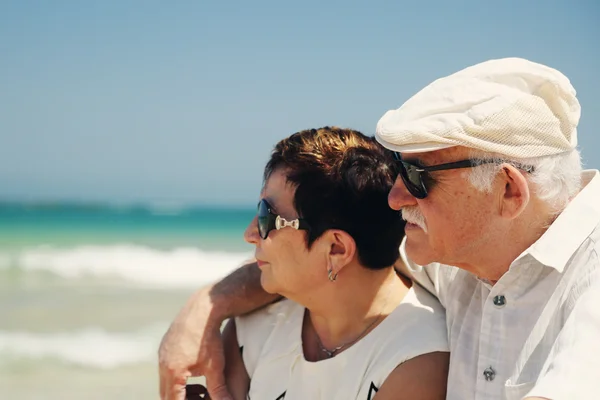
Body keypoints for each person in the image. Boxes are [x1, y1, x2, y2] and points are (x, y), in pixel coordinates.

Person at [159, 58, 600, 400]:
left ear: (508, 191)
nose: (395, 198)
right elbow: (328, 262)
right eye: (398, 172)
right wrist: (206, 307)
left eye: (417, 177)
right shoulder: (458, 252)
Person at [214, 127, 448, 400]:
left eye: (267, 217)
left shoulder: (416, 359)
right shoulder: (252, 328)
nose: (250, 234)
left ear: (336, 249)